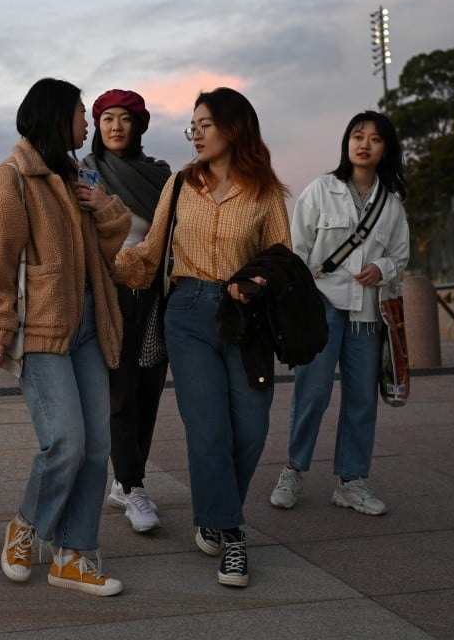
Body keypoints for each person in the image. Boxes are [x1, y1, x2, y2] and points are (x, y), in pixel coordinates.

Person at [115, 87, 291, 588]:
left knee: (252, 428)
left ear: (233, 128)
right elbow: (149, 253)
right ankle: (232, 536)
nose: (195, 133)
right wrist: (104, 266)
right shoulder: (179, 185)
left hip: (246, 320)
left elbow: (282, 263)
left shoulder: (265, 193)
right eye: (192, 125)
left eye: (205, 124)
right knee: (209, 430)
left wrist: (255, 284)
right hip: (188, 313)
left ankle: (215, 510)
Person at [0, 77, 131, 596]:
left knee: (96, 446)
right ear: (57, 116)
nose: (89, 123)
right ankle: (26, 526)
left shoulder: (76, 174)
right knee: (65, 440)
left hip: (89, 321)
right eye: (83, 113)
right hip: (42, 327)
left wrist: (102, 205)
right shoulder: (13, 177)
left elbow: (112, 245)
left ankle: (74, 554)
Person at [269, 110, 410, 516]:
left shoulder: (391, 203)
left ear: (385, 150)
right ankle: (293, 470)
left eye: (375, 138)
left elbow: (400, 255)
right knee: (311, 394)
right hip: (323, 308)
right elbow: (297, 250)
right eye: (357, 135)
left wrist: (381, 268)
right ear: (346, 143)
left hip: (367, 313)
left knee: (362, 400)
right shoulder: (320, 190)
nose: (364, 143)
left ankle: (351, 481)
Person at [81, 89, 171, 533]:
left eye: (125, 119)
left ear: (139, 126)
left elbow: (170, 232)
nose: (115, 127)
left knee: (149, 390)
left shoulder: (160, 175)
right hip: (110, 292)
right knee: (121, 391)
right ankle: (133, 486)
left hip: (153, 292)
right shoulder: (85, 174)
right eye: (107, 119)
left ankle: (125, 482)